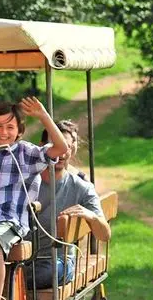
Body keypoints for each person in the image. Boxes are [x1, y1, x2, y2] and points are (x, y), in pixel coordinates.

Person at [0, 96, 68, 300]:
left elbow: (61, 148)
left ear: (20, 131)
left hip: (9, 222)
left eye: (10, 127)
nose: (4, 132)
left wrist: (43, 116)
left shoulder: (25, 153)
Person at [29, 121, 111, 289]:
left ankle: (13, 284)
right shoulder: (26, 180)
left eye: (65, 146)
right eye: (54, 145)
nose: (60, 152)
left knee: (48, 272)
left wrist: (91, 216)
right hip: (22, 260)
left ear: (71, 150)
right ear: (42, 147)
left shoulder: (81, 188)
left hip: (56, 262)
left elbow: (104, 235)